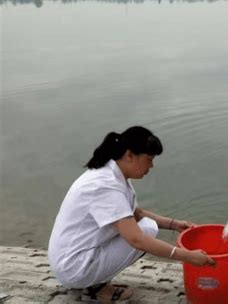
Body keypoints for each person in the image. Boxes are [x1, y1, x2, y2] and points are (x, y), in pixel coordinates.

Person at [49, 126, 215, 303]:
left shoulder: (112, 175)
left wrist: (175, 224)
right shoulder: (105, 185)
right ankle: (95, 287)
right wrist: (188, 256)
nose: (151, 166)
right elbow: (136, 239)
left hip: (72, 257)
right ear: (129, 155)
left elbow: (137, 214)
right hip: (74, 267)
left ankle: (94, 282)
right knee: (146, 231)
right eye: (149, 159)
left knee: (146, 226)